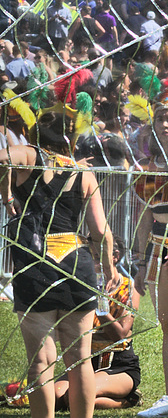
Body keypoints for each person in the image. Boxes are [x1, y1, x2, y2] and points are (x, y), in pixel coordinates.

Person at [0, 112, 115, 418]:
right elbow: (100, 231)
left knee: (40, 361)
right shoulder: (82, 171)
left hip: (35, 265)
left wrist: (7, 194)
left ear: (36, 135)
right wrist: (110, 269)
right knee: (80, 359)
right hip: (77, 262)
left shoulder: (30, 156)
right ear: (70, 137)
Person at [55, 237, 141, 411]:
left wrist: (99, 305)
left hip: (119, 366)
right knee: (54, 398)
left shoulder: (129, 287)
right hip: (88, 362)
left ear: (114, 256)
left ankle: (129, 399)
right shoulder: (81, 287)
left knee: (76, 399)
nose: (88, 263)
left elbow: (120, 335)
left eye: (94, 257)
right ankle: (98, 393)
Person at [134, 97, 168, 418]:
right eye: (162, 119)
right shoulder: (146, 170)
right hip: (161, 249)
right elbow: (144, 219)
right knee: (167, 326)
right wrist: (140, 261)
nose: (166, 124)